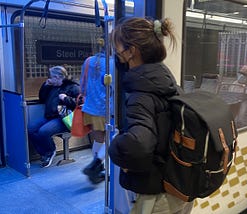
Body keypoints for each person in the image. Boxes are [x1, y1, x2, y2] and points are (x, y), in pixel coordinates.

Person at [109, 17, 194, 214]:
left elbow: (138, 145)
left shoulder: (141, 94)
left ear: (131, 51)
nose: (116, 54)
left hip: (155, 195)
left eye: (118, 47)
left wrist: (114, 145)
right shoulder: (167, 81)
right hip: (177, 187)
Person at [28, 66, 79, 167]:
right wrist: (45, 86)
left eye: (50, 77)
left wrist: (66, 99)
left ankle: (49, 151)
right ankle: (45, 152)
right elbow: (42, 99)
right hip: (50, 116)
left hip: (64, 119)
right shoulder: (52, 86)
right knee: (30, 128)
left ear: (56, 77)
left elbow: (79, 103)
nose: (49, 79)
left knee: (43, 131)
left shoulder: (72, 87)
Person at [81, 40, 114, 184]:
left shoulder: (88, 61)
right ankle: (96, 166)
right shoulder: (114, 64)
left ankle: (97, 169)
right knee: (111, 140)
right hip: (107, 109)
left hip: (90, 107)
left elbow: (82, 86)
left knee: (99, 140)